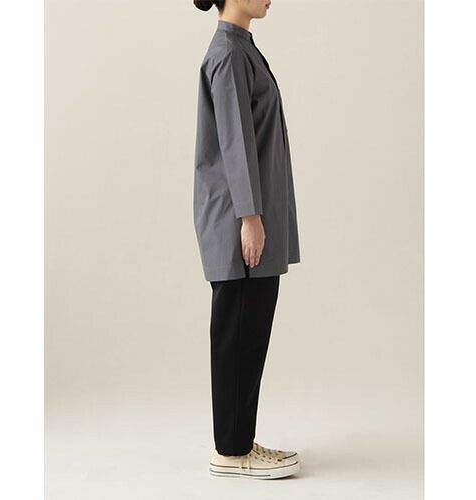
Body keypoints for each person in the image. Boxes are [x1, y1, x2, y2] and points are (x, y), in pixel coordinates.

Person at [192, 0, 301, 479]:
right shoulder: (229, 54)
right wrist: (250, 217)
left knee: (248, 334)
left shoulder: (241, 48)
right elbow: (234, 143)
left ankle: (239, 441)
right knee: (238, 334)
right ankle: (232, 452)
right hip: (239, 222)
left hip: (249, 218)